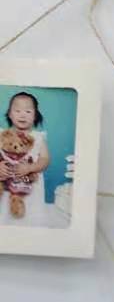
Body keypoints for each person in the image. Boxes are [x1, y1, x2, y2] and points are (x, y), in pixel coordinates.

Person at [1, 91, 51, 222]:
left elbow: (45, 159)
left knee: (30, 218)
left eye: (28, 111)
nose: (22, 115)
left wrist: (30, 167)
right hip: (5, 184)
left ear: (35, 115)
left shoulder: (38, 138)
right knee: (4, 216)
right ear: (10, 114)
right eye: (17, 111)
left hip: (30, 188)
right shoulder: (3, 135)